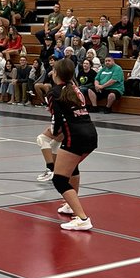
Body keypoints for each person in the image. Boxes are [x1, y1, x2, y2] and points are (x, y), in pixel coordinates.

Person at [45, 58, 98, 231]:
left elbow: (57, 120)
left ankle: (82, 218)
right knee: (72, 167)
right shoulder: (75, 88)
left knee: (59, 179)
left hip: (75, 137)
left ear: (56, 73)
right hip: (90, 133)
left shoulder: (54, 92)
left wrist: (52, 135)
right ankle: (70, 205)